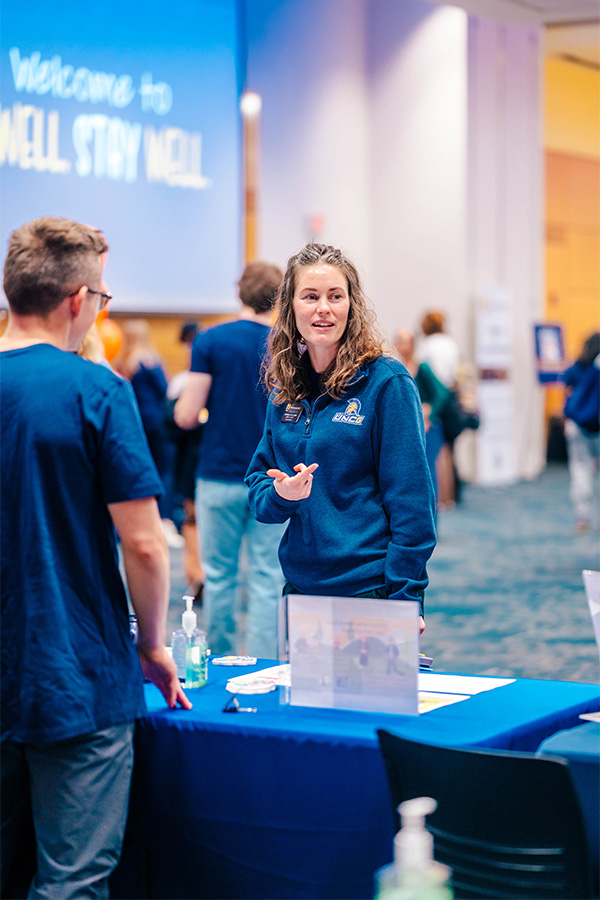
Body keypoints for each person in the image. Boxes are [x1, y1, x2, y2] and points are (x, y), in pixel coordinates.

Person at [0, 217, 191, 898]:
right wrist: (154, 643)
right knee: (71, 879)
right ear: (78, 301)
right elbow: (143, 543)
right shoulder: (97, 392)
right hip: (73, 672)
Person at [245, 243, 436, 635]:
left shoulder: (386, 383)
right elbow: (258, 490)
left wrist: (406, 596)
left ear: (352, 306)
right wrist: (284, 495)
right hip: (300, 591)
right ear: (290, 306)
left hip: (371, 591)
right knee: (301, 699)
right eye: (310, 297)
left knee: (361, 701)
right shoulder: (286, 389)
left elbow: (413, 503)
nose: (323, 309)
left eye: (335, 296)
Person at [175, 261, 286, 658]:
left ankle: (220, 664)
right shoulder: (288, 344)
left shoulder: (210, 341)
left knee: (218, 577)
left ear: (239, 292)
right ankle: (263, 667)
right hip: (273, 479)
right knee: (267, 577)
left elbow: (187, 414)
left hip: (219, 474)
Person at [116, 319, 182, 547]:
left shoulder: (123, 363)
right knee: (165, 471)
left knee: (143, 470)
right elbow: (166, 392)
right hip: (157, 423)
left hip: (136, 423)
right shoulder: (150, 361)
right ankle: (165, 520)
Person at [396, 327, 449, 497]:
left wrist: (430, 411)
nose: (403, 345)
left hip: (428, 427)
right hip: (407, 427)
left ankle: (432, 513)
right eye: (400, 341)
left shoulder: (422, 367)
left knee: (428, 469)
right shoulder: (395, 368)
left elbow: (442, 392)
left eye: (407, 341)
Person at [562, 331, 600, 532]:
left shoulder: (578, 367)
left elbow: (567, 388)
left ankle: (582, 517)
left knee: (581, 469)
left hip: (578, 425)